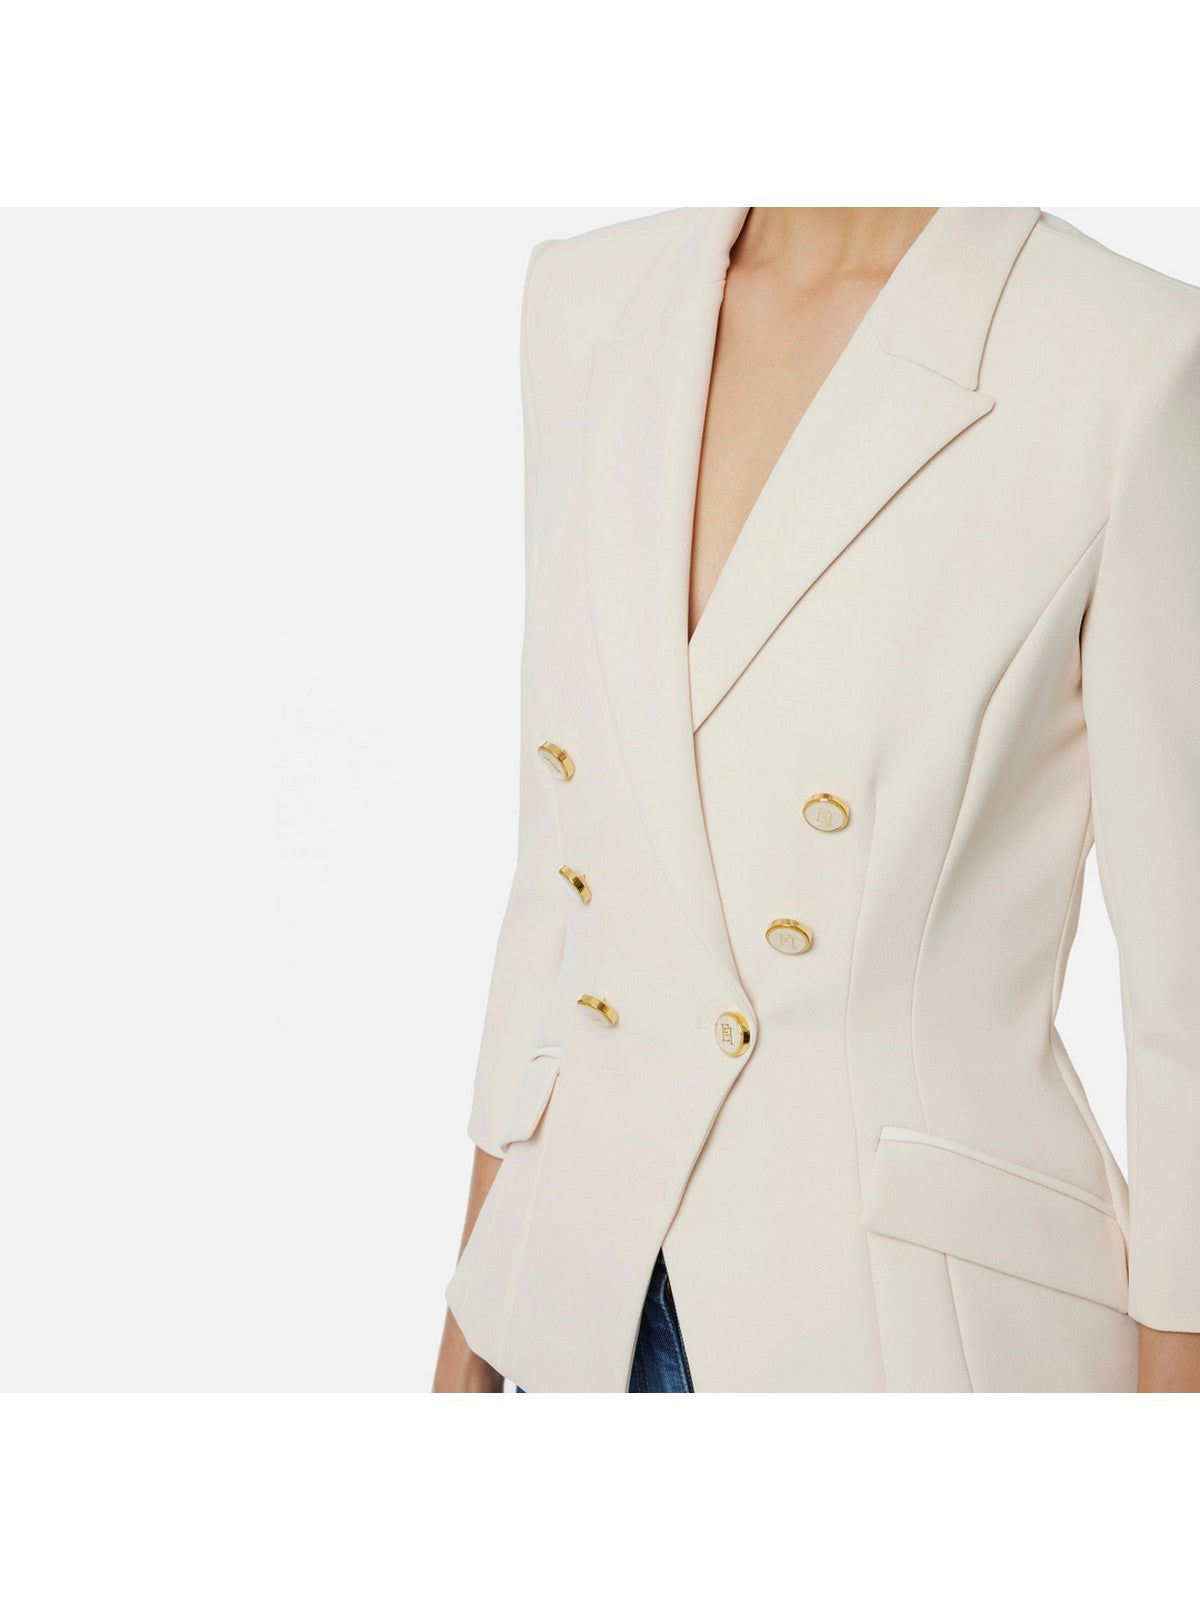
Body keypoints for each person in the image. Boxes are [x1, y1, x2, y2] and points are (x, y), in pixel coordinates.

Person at [433, 207, 1200, 1393]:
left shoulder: (1124, 358)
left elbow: (1183, 999)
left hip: (898, 1339)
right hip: (568, 1305)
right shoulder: (586, 307)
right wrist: (467, 1344)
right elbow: (567, 886)